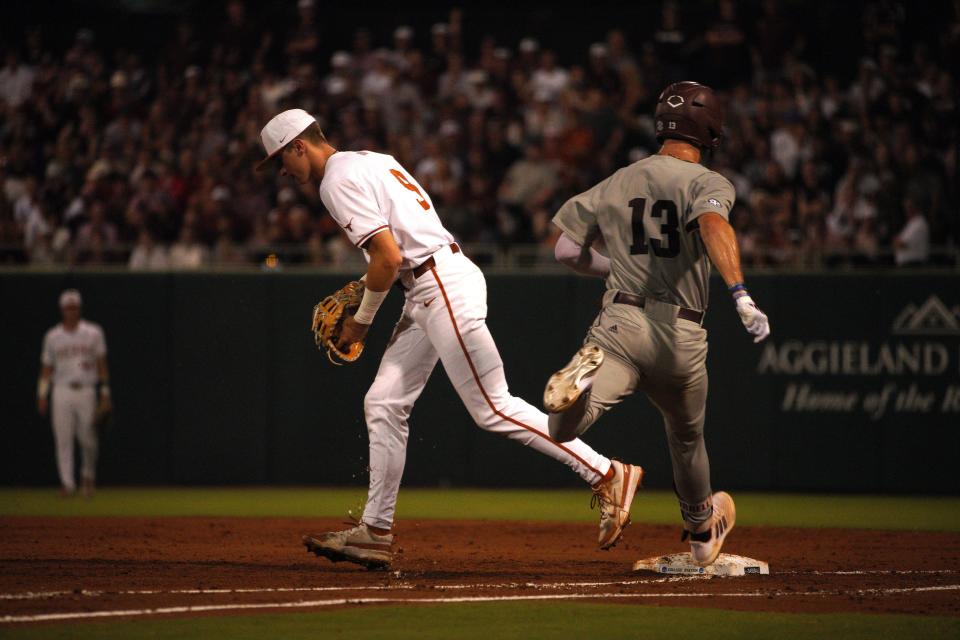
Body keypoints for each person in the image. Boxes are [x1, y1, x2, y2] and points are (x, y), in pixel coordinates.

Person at [255, 109, 641, 569]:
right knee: (383, 403)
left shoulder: (334, 181)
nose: (282, 169)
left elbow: (387, 257)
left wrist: (361, 321)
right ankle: (375, 532)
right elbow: (394, 256)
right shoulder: (370, 160)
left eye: (281, 158)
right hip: (428, 284)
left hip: (439, 285)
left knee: (492, 406)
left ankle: (606, 472)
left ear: (300, 145)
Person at [542, 82, 771, 567]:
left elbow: (563, 248)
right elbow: (713, 227)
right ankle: (702, 531)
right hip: (680, 337)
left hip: (621, 324)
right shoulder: (708, 183)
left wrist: (616, 268)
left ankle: (572, 390)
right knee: (687, 438)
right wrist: (740, 293)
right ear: (710, 129)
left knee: (562, 429)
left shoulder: (620, 179)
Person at [37, 290, 111, 497]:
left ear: (80, 309)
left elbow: (102, 364)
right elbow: (46, 369)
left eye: (75, 307)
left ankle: (88, 475)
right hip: (61, 390)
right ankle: (67, 484)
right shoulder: (52, 336)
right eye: (68, 308)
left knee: (88, 439)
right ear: (62, 310)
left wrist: (105, 391)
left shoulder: (94, 332)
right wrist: (42, 394)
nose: (71, 311)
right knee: (63, 439)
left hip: (86, 390)